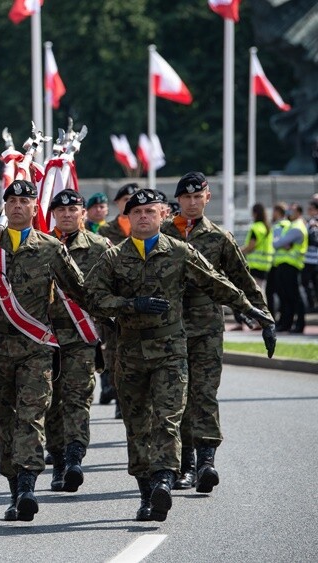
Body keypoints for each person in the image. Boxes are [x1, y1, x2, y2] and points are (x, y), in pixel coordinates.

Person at [85, 188, 274, 522]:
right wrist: (130, 305)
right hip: (129, 352)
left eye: (150, 211)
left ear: (162, 216)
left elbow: (217, 282)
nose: (144, 217)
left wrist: (253, 311)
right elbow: (93, 297)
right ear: (128, 219)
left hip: (171, 349)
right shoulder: (113, 258)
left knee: (168, 418)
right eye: (137, 212)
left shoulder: (180, 252)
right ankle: (147, 495)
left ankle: (163, 481)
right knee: (137, 424)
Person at [0, 180, 87, 523]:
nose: (17, 206)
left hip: (35, 348)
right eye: (11, 201)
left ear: (35, 208)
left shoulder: (52, 248)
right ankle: (14, 488)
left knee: (31, 415)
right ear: (4, 206)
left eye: (25, 201)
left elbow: (80, 290)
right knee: (5, 418)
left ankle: (27, 486)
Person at [161, 172, 275, 492]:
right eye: (187, 197)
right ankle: (186, 465)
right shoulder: (163, 234)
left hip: (208, 328)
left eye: (199, 197)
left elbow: (243, 279)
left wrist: (265, 319)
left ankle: (207, 462)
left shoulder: (219, 238)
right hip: (170, 329)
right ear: (179, 200)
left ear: (207, 199)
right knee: (178, 398)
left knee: (205, 395)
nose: (193, 203)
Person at [44, 190, 110, 493]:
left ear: (83, 213)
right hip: (44, 336)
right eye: (61, 209)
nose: (68, 214)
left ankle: (74, 458)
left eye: (74, 209)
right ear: (53, 213)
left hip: (81, 338)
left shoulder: (100, 248)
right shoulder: (40, 247)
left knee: (77, 397)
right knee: (50, 402)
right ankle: (57, 459)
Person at [96, 182, 138, 415]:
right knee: (113, 354)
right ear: (118, 204)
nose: (130, 203)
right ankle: (119, 395)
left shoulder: (146, 226)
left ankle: (129, 400)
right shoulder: (105, 232)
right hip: (115, 303)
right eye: (126, 200)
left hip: (139, 302)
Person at [271, 203, 308, 332]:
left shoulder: (297, 227)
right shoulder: (292, 226)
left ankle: (299, 324)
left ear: (298, 212)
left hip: (291, 265)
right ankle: (287, 323)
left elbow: (277, 243)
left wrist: (282, 241)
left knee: (294, 296)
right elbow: (281, 243)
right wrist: (283, 242)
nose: (288, 213)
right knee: (286, 296)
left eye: (292, 211)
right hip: (285, 264)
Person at [302, 200, 318, 313]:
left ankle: (313, 303)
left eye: (311, 209)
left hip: (315, 259)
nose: (309, 211)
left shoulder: (314, 222)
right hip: (308, 259)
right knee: (305, 282)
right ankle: (312, 303)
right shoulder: (309, 222)